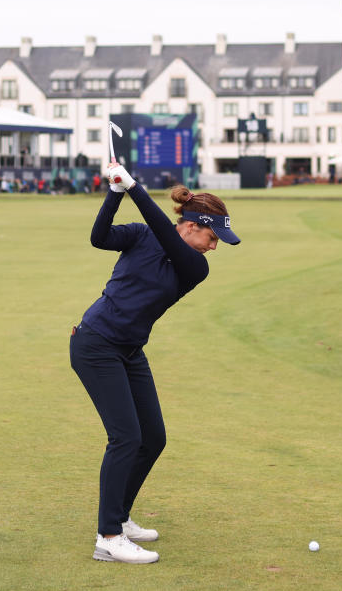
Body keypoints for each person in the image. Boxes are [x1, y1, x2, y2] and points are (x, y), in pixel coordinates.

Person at [69, 161, 240, 564]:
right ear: (193, 225)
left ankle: (119, 516)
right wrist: (115, 195)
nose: (215, 247)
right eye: (213, 237)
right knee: (126, 437)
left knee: (153, 438)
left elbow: (167, 235)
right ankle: (108, 537)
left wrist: (135, 188)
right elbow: (99, 238)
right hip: (95, 344)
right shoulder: (140, 235)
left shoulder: (195, 267)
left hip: (129, 350)